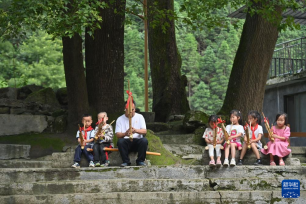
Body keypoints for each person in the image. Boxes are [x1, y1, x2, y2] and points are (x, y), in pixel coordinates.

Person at [115, 100, 148, 167]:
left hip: (137, 140)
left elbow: (144, 131)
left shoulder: (140, 117)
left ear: (135, 109)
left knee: (144, 141)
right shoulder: (120, 119)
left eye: (132, 109)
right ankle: (126, 161)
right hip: (126, 141)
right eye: (128, 109)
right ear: (125, 110)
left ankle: (140, 161)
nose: (130, 111)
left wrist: (135, 130)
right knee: (120, 142)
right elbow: (118, 134)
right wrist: (125, 134)